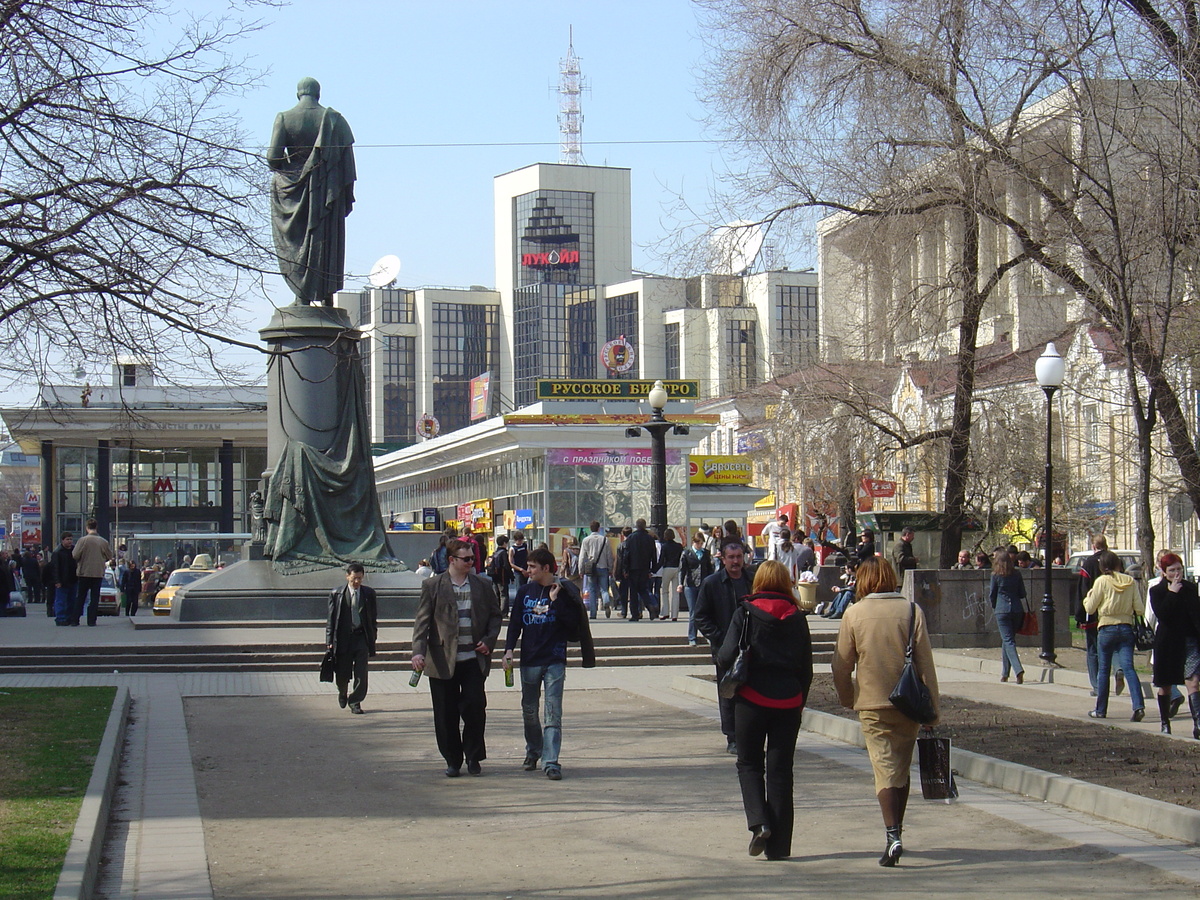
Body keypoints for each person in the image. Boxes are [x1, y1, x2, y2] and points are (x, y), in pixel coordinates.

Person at [832, 557, 939, 868]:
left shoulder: (854, 613)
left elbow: (840, 664)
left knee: (884, 768)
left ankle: (893, 834)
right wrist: (932, 709)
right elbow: (925, 663)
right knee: (900, 769)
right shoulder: (911, 610)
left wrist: (847, 696)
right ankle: (897, 830)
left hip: (872, 701)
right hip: (909, 703)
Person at [717, 560, 813, 861]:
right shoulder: (798, 616)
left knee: (748, 764)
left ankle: (759, 822)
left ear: (757, 581)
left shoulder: (745, 612)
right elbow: (806, 667)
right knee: (781, 772)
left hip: (751, 699)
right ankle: (780, 846)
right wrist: (799, 701)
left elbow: (725, 656)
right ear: (787, 582)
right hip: (788, 701)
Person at [411, 539, 503, 777]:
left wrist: (489, 640)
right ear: (452, 560)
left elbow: (495, 616)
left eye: (472, 558)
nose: (471, 562)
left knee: (475, 708)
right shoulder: (433, 585)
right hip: (442, 659)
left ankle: (473, 757)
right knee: (445, 713)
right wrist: (418, 651)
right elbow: (422, 621)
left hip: (473, 658)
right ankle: (452, 759)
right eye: (467, 559)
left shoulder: (482, 584)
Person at [503, 547, 595, 780]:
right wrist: (508, 650)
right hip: (529, 659)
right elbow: (515, 624)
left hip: (554, 659)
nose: (528, 570)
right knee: (530, 711)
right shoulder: (525, 591)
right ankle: (534, 750)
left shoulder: (564, 591)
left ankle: (551, 761)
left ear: (546, 568)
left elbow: (573, 624)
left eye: (532, 567)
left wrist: (555, 602)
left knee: (553, 713)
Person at [267, 77, 356, 306]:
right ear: (318, 94)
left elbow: (273, 158)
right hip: (328, 192)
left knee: (299, 239)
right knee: (326, 239)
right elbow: (348, 165)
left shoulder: (285, 118)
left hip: (294, 191)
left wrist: (295, 167)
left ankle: (302, 297)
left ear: (299, 93)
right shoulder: (335, 121)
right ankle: (328, 298)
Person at [694, 537, 755, 754]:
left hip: (752, 647)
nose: (736, 561)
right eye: (731, 557)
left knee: (751, 693)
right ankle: (733, 737)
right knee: (728, 693)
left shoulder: (753, 580)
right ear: (723, 558)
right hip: (726, 650)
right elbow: (700, 617)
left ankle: (750, 735)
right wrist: (720, 638)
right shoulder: (712, 583)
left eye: (739, 557)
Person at [1084, 550, 1146, 722]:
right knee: (1129, 668)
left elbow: (1090, 608)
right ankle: (1138, 705)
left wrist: (1087, 598)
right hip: (1126, 627)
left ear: (1102, 566)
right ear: (1118, 564)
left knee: (1103, 670)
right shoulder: (1130, 581)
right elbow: (1139, 609)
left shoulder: (1101, 581)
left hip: (1106, 627)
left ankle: (1101, 709)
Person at [1146, 552, 1200, 737]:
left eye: (1179, 569)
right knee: (1166, 685)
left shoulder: (1191, 589)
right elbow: (1163, 615)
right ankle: (1165, 722)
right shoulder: (1157, 591)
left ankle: (1198, 724)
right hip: (1168, 643)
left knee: (1193, 681)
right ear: (1164, 572)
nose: (1176, 573)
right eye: (1172, 570)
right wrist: (1172, 594)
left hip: (1189, 641)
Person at [325, 563, 378, 714]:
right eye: (354, 578)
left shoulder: (368, 594)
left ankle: (355, 701)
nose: (357, 582)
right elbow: (331, 619)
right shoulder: (337, 594)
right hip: (343, 639)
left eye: (360, 579)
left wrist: (373, 636)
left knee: (361, 673)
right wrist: (329, 641)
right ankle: (342, 692)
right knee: (342, 672)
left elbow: (373, 617)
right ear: (347, 576)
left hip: (361, 637)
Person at [1075, 535, 1113, 697]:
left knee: (1093, 650)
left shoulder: (1089, 564)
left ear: (1093, 546)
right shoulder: (1114, 560)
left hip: (1094, 614)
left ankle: (1098, 686)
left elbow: (1083, 590)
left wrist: (1080, 615)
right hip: (1114, 612)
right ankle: (1117, 672)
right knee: (1111, 649)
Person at [989, 550, 1027, 684]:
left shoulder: (995, 575)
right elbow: (1022, 593)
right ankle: (1005, 673)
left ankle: (1018, 669)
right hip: (1017, 609)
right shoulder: (1017, 574)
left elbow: (992, 594)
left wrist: (995, 607)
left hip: (1002, 609)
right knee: (1008, 640)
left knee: (1008, 640)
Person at [73, 518, 114, 626]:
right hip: (98, 573)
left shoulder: (82, 540)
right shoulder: (103, 541)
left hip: (84, 572)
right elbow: (110, 556)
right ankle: (91, 620)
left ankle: (75, 619)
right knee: (94, 598)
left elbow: (75, 555)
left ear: (87, 528)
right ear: (96, 527)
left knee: (80, 597)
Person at [680, 532, 715, 646]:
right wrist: (680, 584)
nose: (699, 545)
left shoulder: (706, 553)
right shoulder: (687, 553)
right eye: (698, 543)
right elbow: (683, 570)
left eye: (701, 543)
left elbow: (710, 569)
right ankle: (692, 637)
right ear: (693, 542)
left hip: (703, 584)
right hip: (690, 585)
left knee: (706, 611)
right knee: (693, 612)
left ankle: (708, 635)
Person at [621, 519, 659, 622]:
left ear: (636, 526)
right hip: (645, 568)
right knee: (643, 590)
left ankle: (635, 614)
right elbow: (653, 555)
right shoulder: (649, 539)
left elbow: (626, 555)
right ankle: (650, 606)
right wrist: (653, 569)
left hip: (633, 568)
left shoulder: (631, 538)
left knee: (633, 592)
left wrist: (625, 569)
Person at [578, 521, 614, 619]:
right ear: (599, 528)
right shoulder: (605, 540)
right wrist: (610, 568)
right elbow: (609, 555)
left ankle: (593, 613)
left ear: (590, 529)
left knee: (592, 590)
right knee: (604, 589)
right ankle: (606, 601)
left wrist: (581, 570)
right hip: (603, 567)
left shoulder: (586, 540)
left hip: (591, 569)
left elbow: (582, 556)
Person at [657, 528, 684, 621]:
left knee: (664, 591)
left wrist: (654, 570)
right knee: (676, 592)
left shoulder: (664, 546)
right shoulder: (679, 546)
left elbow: (661, 560)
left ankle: (665, 612)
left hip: (667, 568)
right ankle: (675, 615)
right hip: (677, 568)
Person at [51, 533, 78, 626]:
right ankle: (60, 618)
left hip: (73, 579)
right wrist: (57, 581)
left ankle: (69, 617)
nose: (70, 541)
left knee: (72, 600)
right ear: (62, 540)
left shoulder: (74, 550)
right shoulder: (58, 552)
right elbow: (55, 568)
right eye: (67, 539)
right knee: (61, 600)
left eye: (71, 539)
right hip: (62, 581)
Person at [485, 536, 512, 610]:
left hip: (494, 577)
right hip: (502, 577)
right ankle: (503, 612)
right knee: (503, 595)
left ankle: (496, 610)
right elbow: (506, 566)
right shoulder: (503, 553)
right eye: (506, 543)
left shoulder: (495, 552)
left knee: (496, 594)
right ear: (504, 543)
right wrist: (511, 576)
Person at [508, 530, 530, 597]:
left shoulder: (525, 546)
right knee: (520, 589)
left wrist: (528, 568)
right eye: (519, 540)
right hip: (518, 572)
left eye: (521, 540)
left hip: (527, 570)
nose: (520, 542)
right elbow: (511, 563)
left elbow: (529, 556)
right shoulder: (512, 549)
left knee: (528, 588)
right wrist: (521, 569)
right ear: (515, 540)